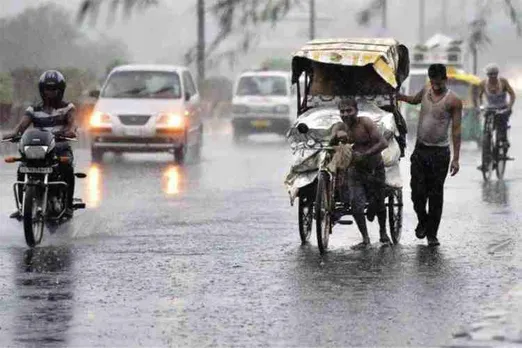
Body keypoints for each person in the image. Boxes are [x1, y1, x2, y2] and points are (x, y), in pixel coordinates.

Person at [397, 64, 462, 246]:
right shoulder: (426, 89)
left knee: (435, 194)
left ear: (445, 79)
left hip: (440, 153)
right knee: (417, 192)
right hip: (420, 150)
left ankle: (432, 234)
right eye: (433, 82)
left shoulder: (454, 101)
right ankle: (423, 221)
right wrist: (398, 96)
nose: (435, 86)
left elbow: (456, 131)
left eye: (439, 82)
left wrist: (456, 159)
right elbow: (414, 100)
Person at [4, 70, 77, 219]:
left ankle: (68, 205)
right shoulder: (33, 109)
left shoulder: (68, 108)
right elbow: (22, 125)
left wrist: (70, 131)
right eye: (47, 89)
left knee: (67, 168)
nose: (50, 92)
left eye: (53, 89)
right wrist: (15, 133)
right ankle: (21, 207)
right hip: (39, 149)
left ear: (60, 90)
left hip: (59, 148)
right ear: (42, 90)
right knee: (21, 167)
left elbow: (72, 124)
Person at [330, 97, 390, 249]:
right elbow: (330, 145)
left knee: (379, 205)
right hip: (355, 171)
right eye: (342, 111)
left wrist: (366, 154)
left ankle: (383, 232)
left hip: (375, 169)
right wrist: (336, 138)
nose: (346, 114)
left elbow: (383, 143)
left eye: (349, 110)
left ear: (356, 111)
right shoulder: (339, 126)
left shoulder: (366, 123)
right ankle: (365, 239)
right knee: (356, 206)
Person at [478, 63, 516, 149]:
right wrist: (481, 106)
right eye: (490, 75)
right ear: (487, 75)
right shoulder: (483, 83)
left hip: (503, 108)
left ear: (497, 74)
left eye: (494, 74)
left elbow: (512, 94)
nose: (492, 77)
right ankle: (486, 139)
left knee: (502, 123)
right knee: (487, 124)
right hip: (490, 108)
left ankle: (503, 140)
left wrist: (509, 107)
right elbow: (479, 96)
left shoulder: (503, 82)